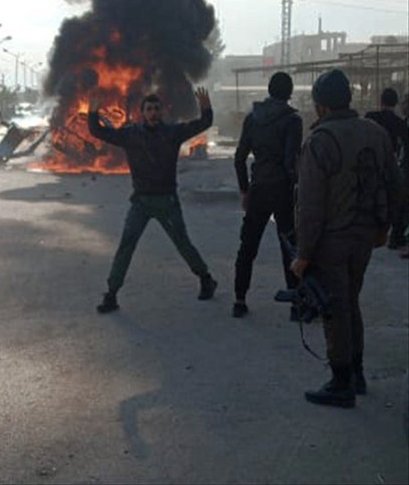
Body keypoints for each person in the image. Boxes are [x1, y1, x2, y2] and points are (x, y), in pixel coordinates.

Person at [291, 69, 404, 408]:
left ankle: (341, 382)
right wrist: (384, 228)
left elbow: (310, 207)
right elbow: (397, 185)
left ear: (321, 106)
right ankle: (356, 373)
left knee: (334, 309)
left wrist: (303, 254)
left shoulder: (320, 141)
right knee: (350, 301)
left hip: (333, 241)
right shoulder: (376, 132)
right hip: (365, 237)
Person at [88, 87, 217, 313]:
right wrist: (93, 111)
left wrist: (206, 106)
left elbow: (203, 123)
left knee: (182, 243)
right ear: (142, 112)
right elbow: (97, 131)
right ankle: (111, 294)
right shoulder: (130, 135)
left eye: (156, 109)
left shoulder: (173, 133)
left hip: (167, 201)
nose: (153, 112)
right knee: (126, 246)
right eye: (149, 109)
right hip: (141, 202)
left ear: (162, 112)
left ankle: (206, 278)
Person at [232, 71, 302, 319]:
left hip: (259, 188)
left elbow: (239, 157)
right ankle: (297, 304)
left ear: (269, 90)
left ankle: (239, 300)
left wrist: (244, 189)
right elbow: (291, 161)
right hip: (282, 190)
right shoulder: (293, 120)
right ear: (289, 92)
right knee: (290, 247)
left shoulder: (253, 118)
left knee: (248, 246)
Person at [364, 87, 409, 249]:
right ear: (396, 103)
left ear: (381, 101)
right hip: (390, 168)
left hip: (369, 167)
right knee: (394, 202)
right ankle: (393, 235)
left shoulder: (370, 118)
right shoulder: (400, 124)